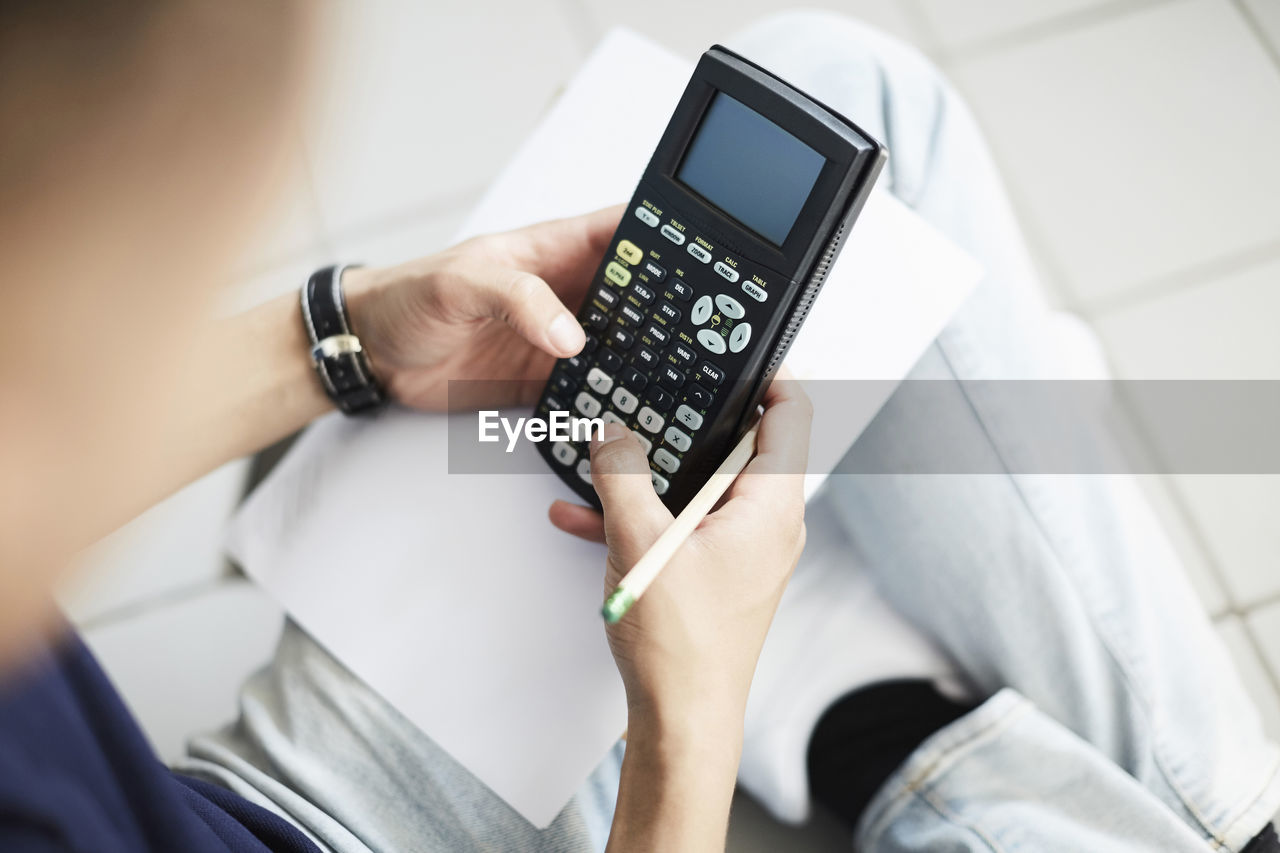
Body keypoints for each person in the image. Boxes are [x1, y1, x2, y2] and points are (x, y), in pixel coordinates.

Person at [0, 4, 1274, 853]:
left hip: (275, 787)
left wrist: (342, 333)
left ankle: (835, 687)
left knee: (842, 87)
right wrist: (689, 727)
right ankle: (863, 710)